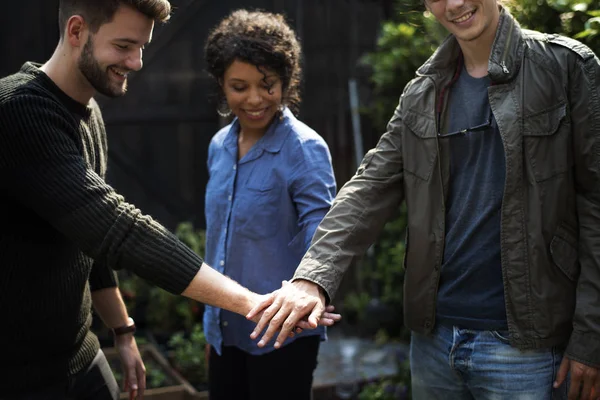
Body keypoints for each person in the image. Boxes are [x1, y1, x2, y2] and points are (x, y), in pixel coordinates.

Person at [248, 0, 600, 399]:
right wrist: (312, 278)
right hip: (434, 343)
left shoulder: (564, 66)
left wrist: (591, 336)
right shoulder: (423, 92)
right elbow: (369, 189)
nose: (455, 4)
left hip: (527, 349)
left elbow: (596, 205)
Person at [0, 1, 339, 399]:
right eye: (125, 45)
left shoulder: (88, 113)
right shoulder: (17, 111)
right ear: (76, 31)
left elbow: (88, 242)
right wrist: (251, 304)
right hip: (20, 374)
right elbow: (117, 229)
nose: (138, 62)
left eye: (142, 47)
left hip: (81, 356)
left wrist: (123, 332)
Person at [201, 9, 337, 400]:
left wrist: (317, 289)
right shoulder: (218, 147)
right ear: (222, 87)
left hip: (283, 334)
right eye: (239, 87)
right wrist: (213, 324)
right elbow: (219, 242)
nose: (255, 99)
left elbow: (322, 234)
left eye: (268, 84)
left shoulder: (304, 149)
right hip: (225, 331)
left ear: (286, 81)